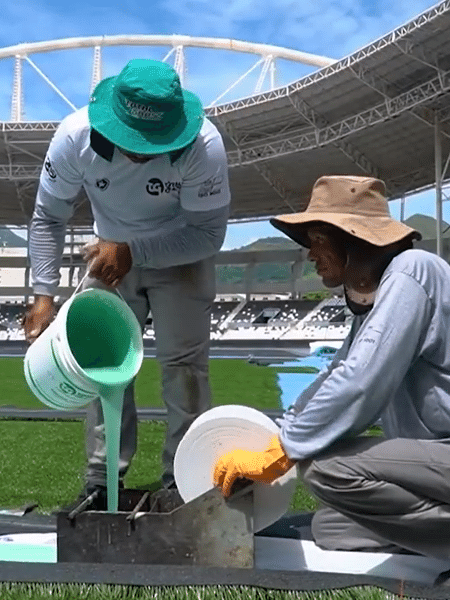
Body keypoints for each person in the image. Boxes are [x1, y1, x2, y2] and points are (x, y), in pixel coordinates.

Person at [23, 59, 231, 505]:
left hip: (181, 254)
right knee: (103, 369)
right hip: (108, 256)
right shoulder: (75, 136)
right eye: (131, 137)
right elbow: (48, 216)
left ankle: (185, 477)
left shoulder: (204, 146)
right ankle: (103, 480)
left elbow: (209, 233)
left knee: (184, 370)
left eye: (153, 142)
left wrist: (135, 249)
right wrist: (44, 293)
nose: (139, 151)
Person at [214, 174, 450, 560]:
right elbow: (336, 373)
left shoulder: (412, 270)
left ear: (354, 240)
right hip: (434, 459)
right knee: (332, 528)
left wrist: (283, 450)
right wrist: (282, 432)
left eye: (319, 239)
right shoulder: (380, 294)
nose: (310, 252)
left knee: (325, 469)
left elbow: (361, 382)